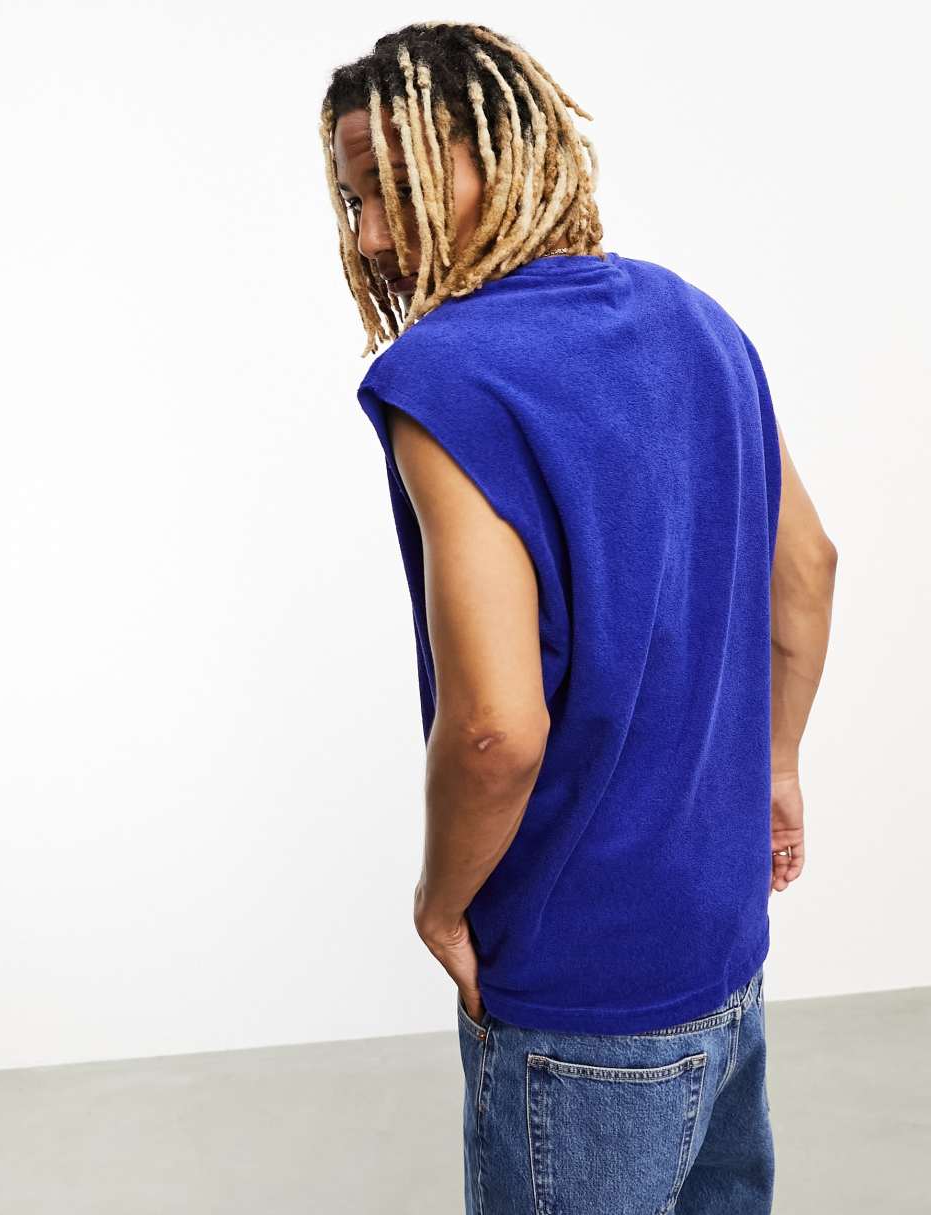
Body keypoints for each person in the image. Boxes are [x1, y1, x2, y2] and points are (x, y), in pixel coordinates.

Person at [320, 22, 837, 1214]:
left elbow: (495, 729)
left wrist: (440, 903)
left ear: (504, 154)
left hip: (579, 990)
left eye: (397, 182)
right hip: (721, 949)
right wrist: (774, 768)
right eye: (354, 202)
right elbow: (806, 569)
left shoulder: (446, 374)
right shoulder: (695, 319)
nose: (376, 234)